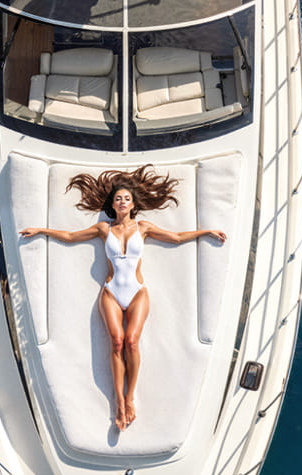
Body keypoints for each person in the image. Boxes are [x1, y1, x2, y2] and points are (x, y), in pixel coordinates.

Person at [20, 165, 227, 431]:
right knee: (117, 343)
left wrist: (205, 232)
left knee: (132, 341)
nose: (122, 202)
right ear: (113, 204)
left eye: (126, 199)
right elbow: (71, 237)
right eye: (118, 198)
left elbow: (175, 237)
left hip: (138, 291)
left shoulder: (144, 227)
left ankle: (131, 397)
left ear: (132, 205)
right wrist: (40, 230)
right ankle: (119, 402)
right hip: (110, 292)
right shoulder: (103, 229)